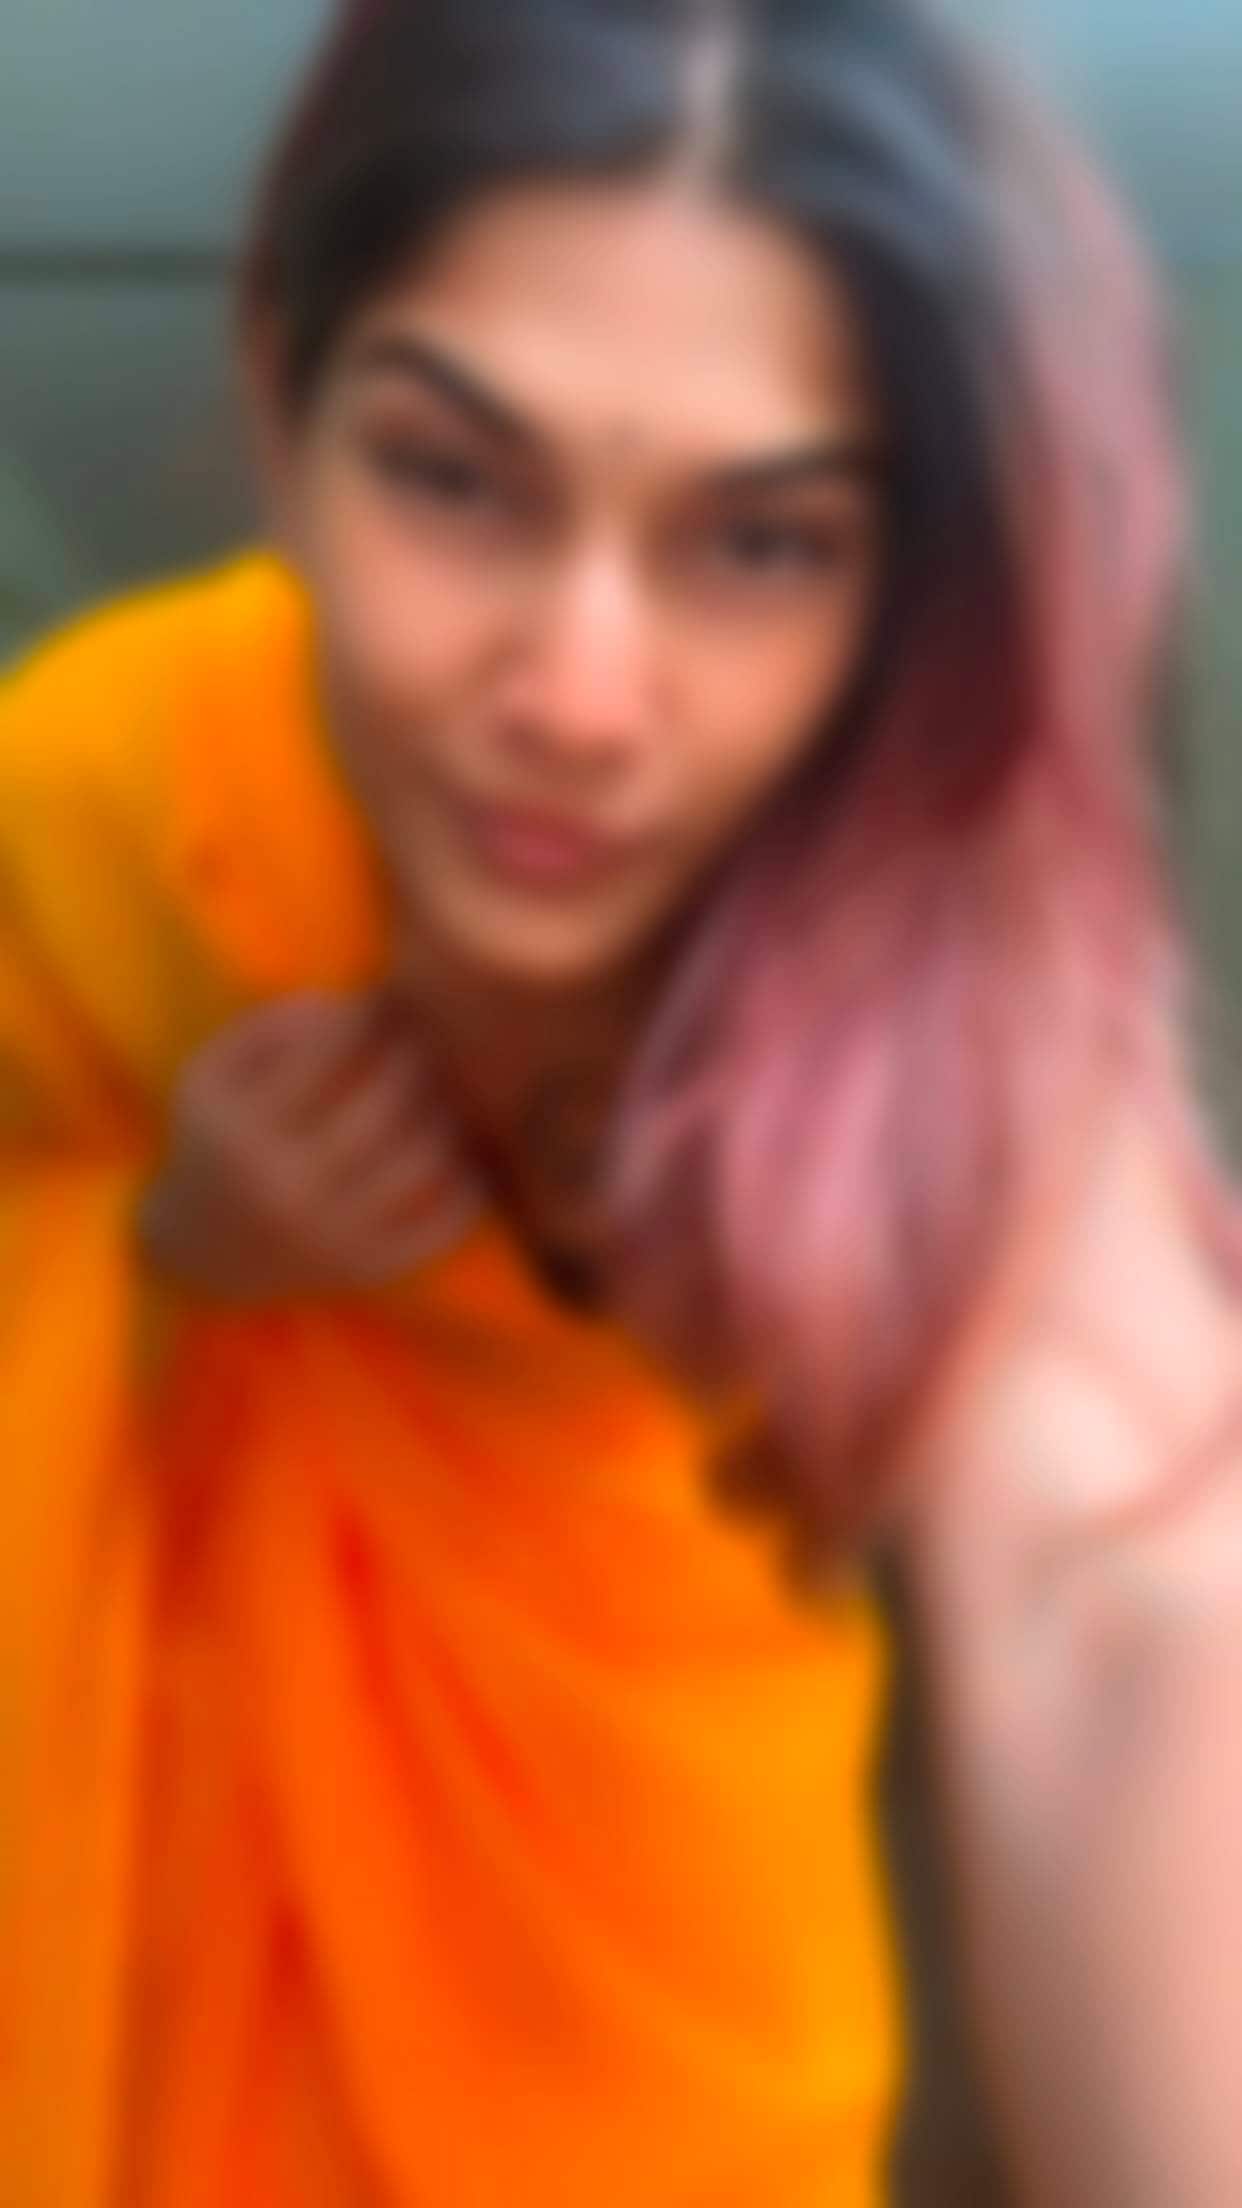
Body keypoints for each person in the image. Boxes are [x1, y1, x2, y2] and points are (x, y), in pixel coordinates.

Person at [3, 1, 1241, 2201]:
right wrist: (169, 1257)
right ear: (281, 404)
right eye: (452, 481)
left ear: (906, 575)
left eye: (758, 545)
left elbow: (1119, 1604)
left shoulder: (944, 933)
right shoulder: (118, 796)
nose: (575, 696)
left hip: (666, 2002)